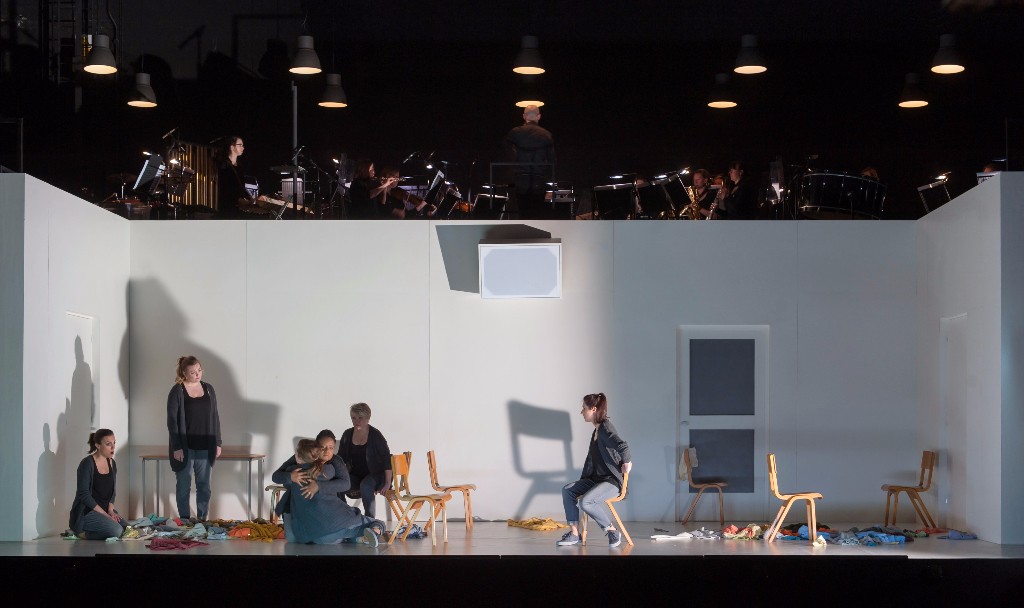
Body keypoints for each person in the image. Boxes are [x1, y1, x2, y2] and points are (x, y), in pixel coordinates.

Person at [557, 393, 633, 548]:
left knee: (586, 502)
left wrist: (627, 462)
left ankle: (612, 531)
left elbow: (623, 446)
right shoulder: (597, 430)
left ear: (593, 409)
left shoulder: (605, 429)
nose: (582, 412)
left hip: (611, 482)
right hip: (595, 480)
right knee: (568, 490)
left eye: (584, 408)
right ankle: (574, 534)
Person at [280, 439, 385, 545]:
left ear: (298, 456)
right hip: (335, 525)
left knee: (345, 531)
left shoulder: (291, 473)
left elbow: (281, 481)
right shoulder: (329, 470)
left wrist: (291, 476)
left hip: (313, 536)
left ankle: (358, 538)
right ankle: (374, 532)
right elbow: (344, 483)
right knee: (377, 523)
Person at [167, 355, 222, 520]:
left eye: (199, 370)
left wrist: (218, 442)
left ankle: (202, 519)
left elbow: (215, 417)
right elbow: (172, 421)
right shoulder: (177, 390)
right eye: (193, 372)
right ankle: (185, 520)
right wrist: (177, 446)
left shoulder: (209, 389)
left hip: (206, 446)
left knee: (204, 487)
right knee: (184, 487)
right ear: (184, 373)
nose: (197, 374)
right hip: (185, 448)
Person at [338, 402, 393, 519]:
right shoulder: (347, 434)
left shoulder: (376, 435)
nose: (356, 421)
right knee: (338, 483)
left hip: (376, 475)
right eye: (353, 418)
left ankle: (370, 521)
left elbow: (386, 459)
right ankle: (345, 516)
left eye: (360, 418)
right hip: (356, 476)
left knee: (366, 485)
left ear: (367, 418)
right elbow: (340, 458)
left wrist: (388, 483)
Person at [69, 429, 125, 540]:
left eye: (114, 443)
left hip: (104, 510)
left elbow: (112, 492)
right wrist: (105, 515)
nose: (113, 447)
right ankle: (82, 533)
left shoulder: (112, 463)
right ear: (98, 445)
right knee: (117, 531)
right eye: (108, 444)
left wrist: (110, 511)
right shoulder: (86, 463)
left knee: (128, 529)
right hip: (87, 512)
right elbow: (84, 495)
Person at [506, 104, 554, 219]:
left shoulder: (515, 133)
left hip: (521, 180)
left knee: (523, 214)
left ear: (524, 116)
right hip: (539, 180)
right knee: (537, 216)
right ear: (539, 116)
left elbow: (506, 153)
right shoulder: (546, 135)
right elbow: (552, 160)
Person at [215, 135, 257, 218]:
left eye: (243, 145)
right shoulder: (224, 165)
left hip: (239, 206)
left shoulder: (240, 166)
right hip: (227, 206)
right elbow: (225, 188)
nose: (243, 148)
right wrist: (238, 200)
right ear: (232, 147)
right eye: (240, 145)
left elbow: (241, 186)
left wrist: (249, 198)